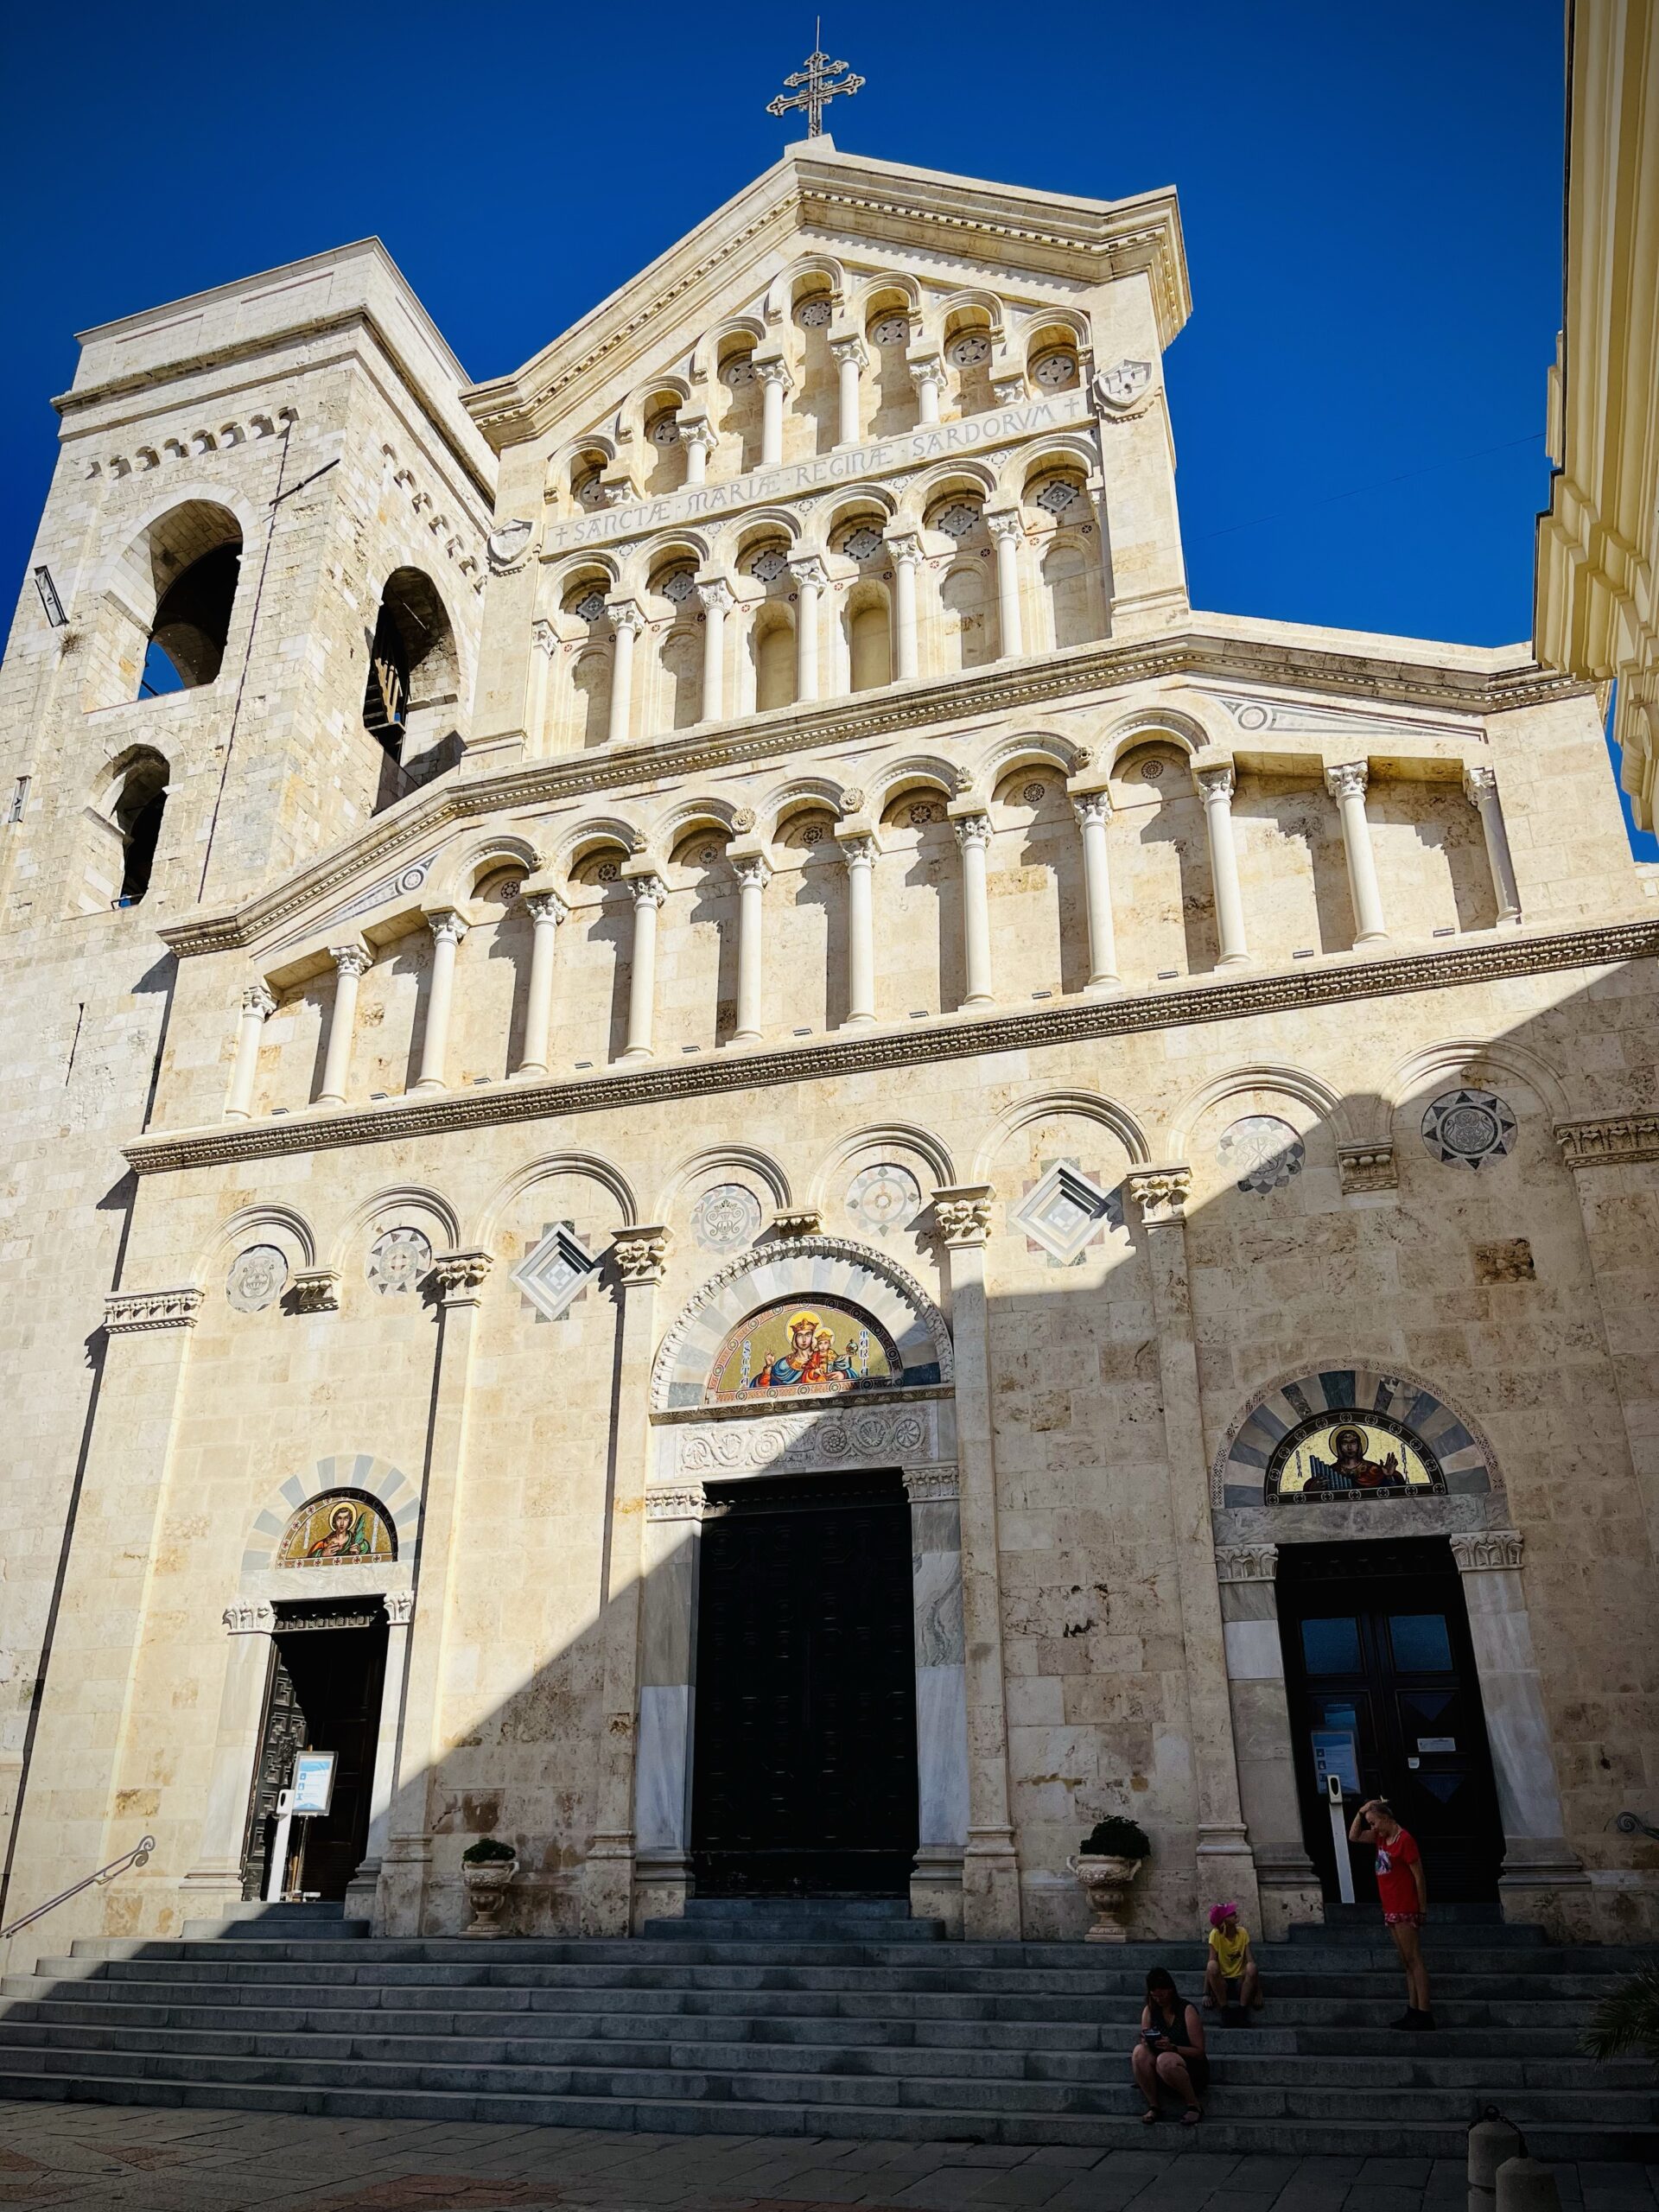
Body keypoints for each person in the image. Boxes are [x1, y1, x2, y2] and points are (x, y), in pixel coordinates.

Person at [1348, 1796, 1435, 2030]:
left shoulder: (1404, 1840)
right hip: (1390, 1906)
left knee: (1414, 1958)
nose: (1373, 1827)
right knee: (1406, 1961)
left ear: (1386, 1818)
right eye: (1370, 1824)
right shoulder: (1381, 1839)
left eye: (1374, 1822)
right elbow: (1354, 1836)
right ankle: (1413, 2009)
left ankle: (1424, 2011)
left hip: (1405, 1905)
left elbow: (1419, 1876)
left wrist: (1422, 1908)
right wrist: (1361, 1812)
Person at [1131, 1967, 1208, 2126]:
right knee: (1139, 2052)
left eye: (1162, 1995)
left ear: (1170, 1990)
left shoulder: (1186, 2010)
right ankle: (1154, 2105)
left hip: (1187, 2064)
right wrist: (1147, 2041)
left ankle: (1193, 2105)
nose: (1159, 1999)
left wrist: (1173, 2047)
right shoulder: (1150, 2010)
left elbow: (1199, 2052)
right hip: (1158, 2065)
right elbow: (1145, 2036)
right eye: (1155, 1996)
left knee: (1165, 2060)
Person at [1204, 1903, 1262, 2016]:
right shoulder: (1215, 1935)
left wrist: (1259, 1992)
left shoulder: (1242, 1932)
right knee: (1212, 1965)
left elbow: (1251, 1962)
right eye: (1230, 1913)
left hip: (1240, 1981)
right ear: (1223, 1921)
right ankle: (1224, 2009)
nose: (1235, 1913)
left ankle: (1243, 2010)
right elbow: (1210, 1965)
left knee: (1251, 1967)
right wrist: (1206, 1993)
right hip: (1223, 1982)